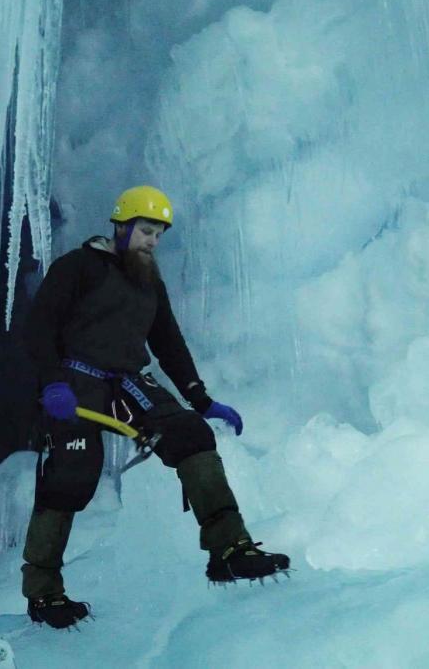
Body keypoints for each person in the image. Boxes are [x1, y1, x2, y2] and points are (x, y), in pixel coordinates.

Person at [20, 185, 290, 629]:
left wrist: (201, 400)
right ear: (122, 226)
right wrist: (52, 383)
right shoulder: (78, 267)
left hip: (128, 383)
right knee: (71, 475)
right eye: (146, 231)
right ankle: (43, 593)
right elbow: (40, 326)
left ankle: (229, 550)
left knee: (192, 435)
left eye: (159, 235)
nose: (152, 242)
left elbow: (168, 342)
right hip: (75, 380)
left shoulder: (148, 281)